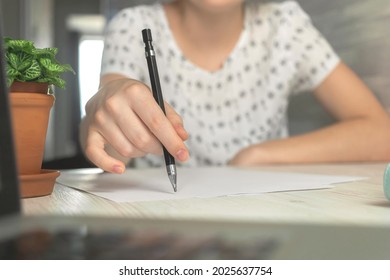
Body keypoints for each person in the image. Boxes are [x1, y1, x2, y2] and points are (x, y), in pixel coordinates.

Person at [80, 0, 390, 174]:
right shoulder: (132, 25)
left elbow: (381, 133)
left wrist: (262, 155)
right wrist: (103, 116)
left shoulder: (285, 24)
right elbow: (107, 148)